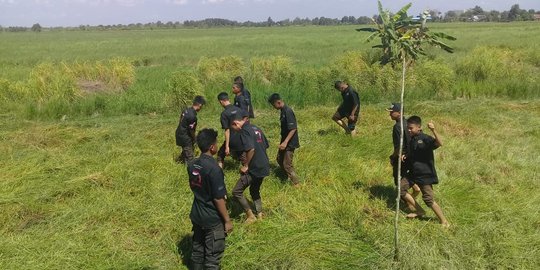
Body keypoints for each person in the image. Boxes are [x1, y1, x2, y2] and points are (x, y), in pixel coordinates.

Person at [187, 128, 233, 269]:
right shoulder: (214, 169)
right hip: (212, 218)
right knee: (213, 257)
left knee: (197, 252)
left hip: (197, 214)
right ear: (212, 147)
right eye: (216, 143)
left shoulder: (192, 164)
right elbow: (218, 199)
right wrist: (227, 220)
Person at [401, 116, 449, 228]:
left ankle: (444, 221)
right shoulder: (412, 139)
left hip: (425, 174)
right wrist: (406, 155)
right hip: (413, 173)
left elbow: (440, 143)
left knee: (428, 199)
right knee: (401, 188)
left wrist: (433, 130)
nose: (408, 130)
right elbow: (414, 152)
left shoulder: (425, 138)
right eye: (408, 128)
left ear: (419, 127)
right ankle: (419, 211)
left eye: (411, 128)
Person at [230, 113, 270, 223]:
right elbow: (266, 145)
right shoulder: (256, 128)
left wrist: (246, 165)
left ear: (235, 123)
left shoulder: (244, 130)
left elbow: (251, 149)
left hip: (254, 167)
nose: (234, 131)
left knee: (236, 191)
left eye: (233, 128)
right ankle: (260, 214)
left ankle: (250, 216)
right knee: (254, 190)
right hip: (264, 165)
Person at [386, 103, 420, 210]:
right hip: (411, 156)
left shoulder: (397, 127)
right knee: (406, 177)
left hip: (401, 158)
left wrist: (393, 157)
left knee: (399, 181)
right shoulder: (408, 124)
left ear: (399, 113)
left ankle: (411, 206)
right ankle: (415, 191)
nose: (390, 114)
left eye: (392, 112)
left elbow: (398, 147)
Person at [268, 93, 300, 186]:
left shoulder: (287, 111)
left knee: (287, 164)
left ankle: (296, 184)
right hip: (284, 140)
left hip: (290, 142)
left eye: (273, 105)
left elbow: (293, 128)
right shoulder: (282, 111)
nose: (273, 107)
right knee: (279, 159)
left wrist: (285, 142)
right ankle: (285, 176)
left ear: (278, 102)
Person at [216, 92, 247, 168]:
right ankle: (248, 172)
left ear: (221, 101)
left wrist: (227, 146)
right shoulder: (239, 110)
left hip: (232, 140)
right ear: (228, 99)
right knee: (244, 160)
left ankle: (219, 173)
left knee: (220, 155)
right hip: (242, 139)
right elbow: (246, 119)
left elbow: (227, 131)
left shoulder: (224, 114)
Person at [175, 96, 206, 164]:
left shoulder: (186, 110)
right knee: (190, 158)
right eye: (202, 106)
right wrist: (195, 139)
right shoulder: (192, 116)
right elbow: (191, 130)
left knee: (186, 150)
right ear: (200, 105)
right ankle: (190, 169)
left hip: (179, 133)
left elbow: (180, 121)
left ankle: (179, 161)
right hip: (185, 137)